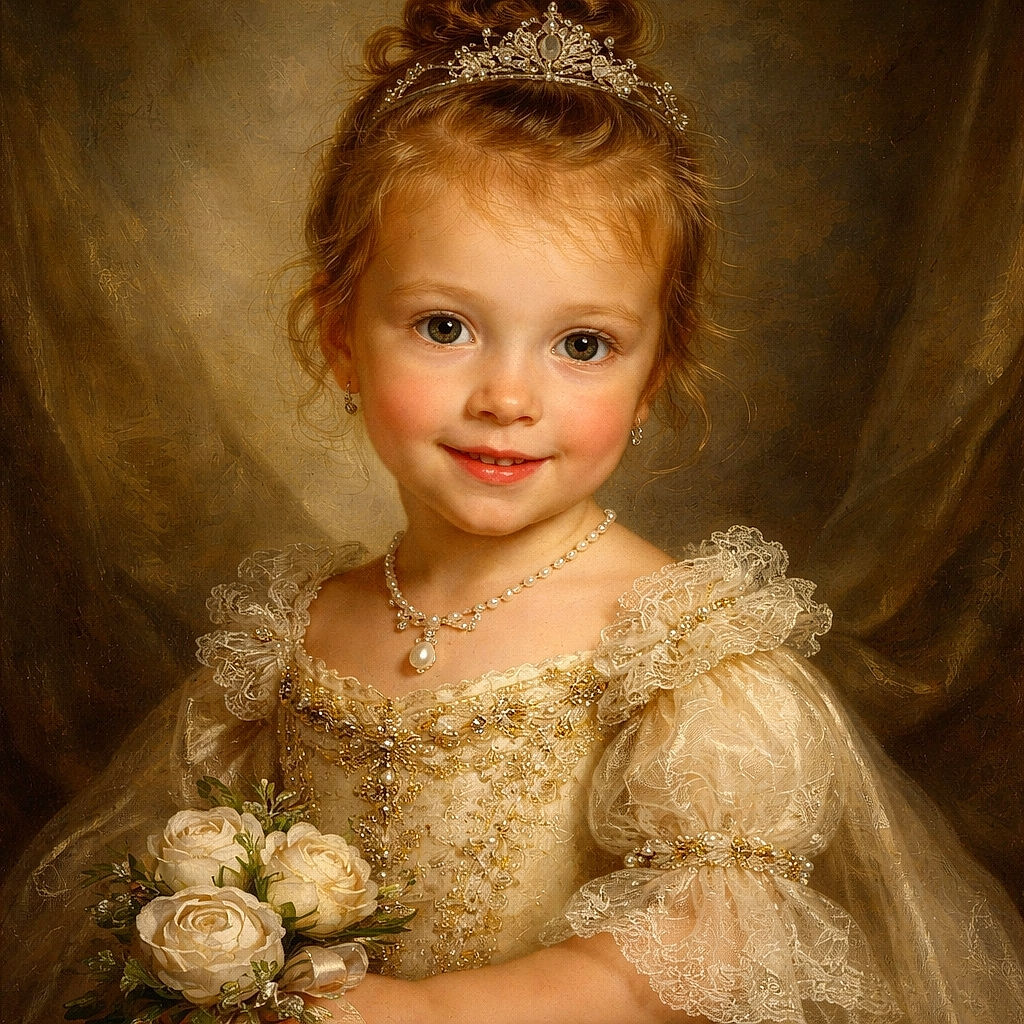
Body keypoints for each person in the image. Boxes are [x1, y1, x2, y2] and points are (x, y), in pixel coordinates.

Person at [3, 1, 1024, 1022]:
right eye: (445, 326)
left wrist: (426, 1013)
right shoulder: (294, 633)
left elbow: (715, 933)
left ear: (656, 366)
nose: (507, 397)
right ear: (338, 334)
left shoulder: (682, 649)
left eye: (581, 344)